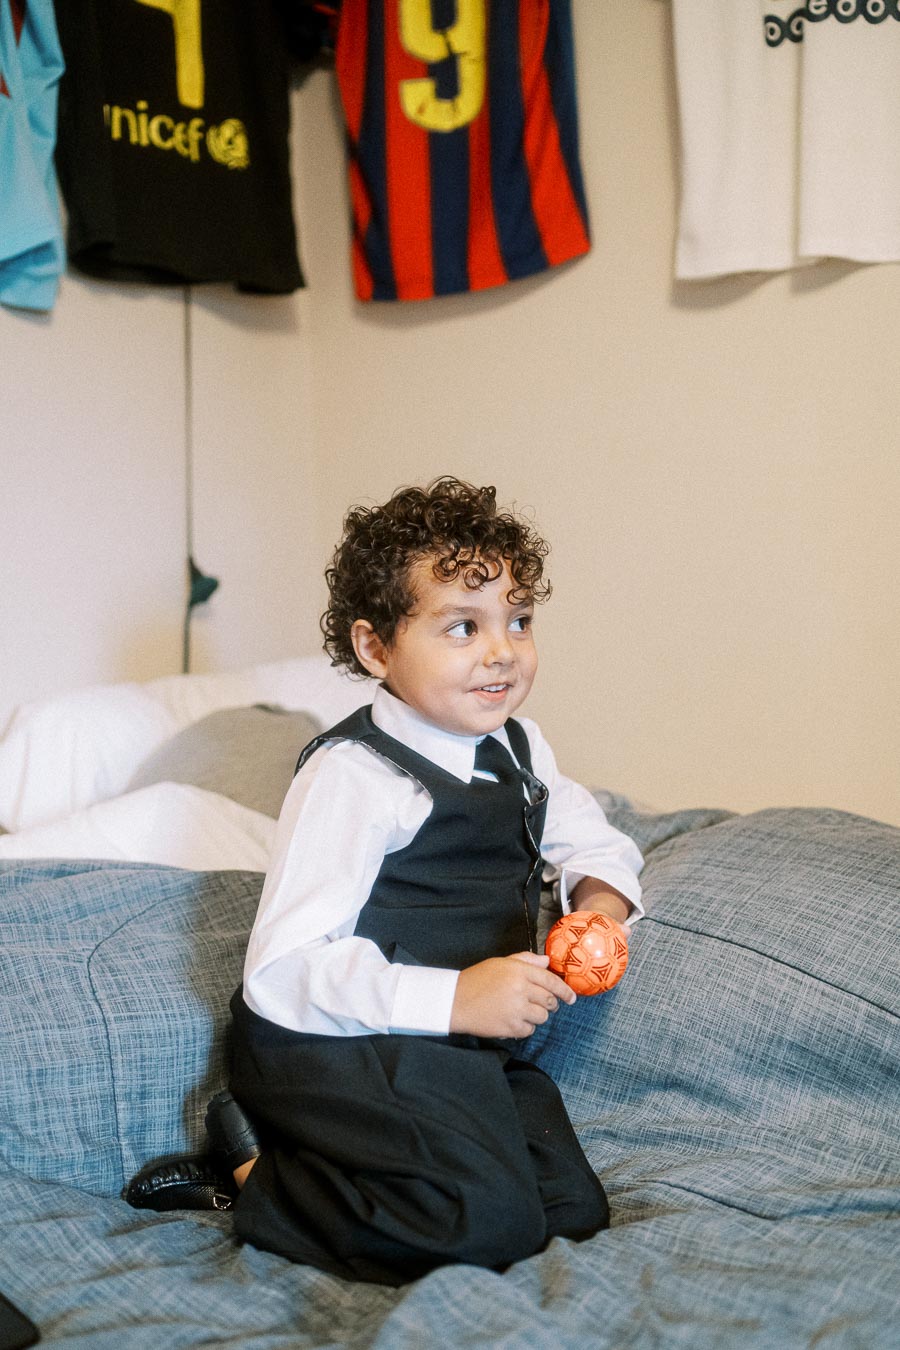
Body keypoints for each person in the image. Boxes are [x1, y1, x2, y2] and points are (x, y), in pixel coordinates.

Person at [125, 476, 644, 1286]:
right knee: (481, 1221)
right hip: (335, 1040)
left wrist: (599, 911)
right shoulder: (354, 777)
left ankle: (398, 1163)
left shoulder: (519, 745)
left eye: (518, 619)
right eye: (463, 627)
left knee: (570, 1210)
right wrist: (458, 999)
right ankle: (252, 1171)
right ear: (376, 649)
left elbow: (597, 842)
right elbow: (281, 973)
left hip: (451, 1044)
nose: (502, 649)